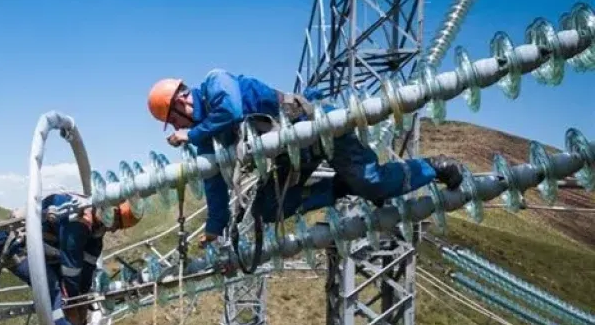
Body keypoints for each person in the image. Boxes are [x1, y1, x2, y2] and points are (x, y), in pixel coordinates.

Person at [146, 70, 464, 246]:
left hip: (314, 129)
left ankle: (433, 167)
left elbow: (231, 111)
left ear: (181, 102)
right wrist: (215, 227)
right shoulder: (206, 138)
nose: (177, 128)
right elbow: (213, 179)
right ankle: (339, 187)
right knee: (265, 207)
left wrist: (192, 134)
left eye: (174, 121)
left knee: (372, 182)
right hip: (291, 156)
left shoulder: (217, 84)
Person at [0, 192, 140, 325]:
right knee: (52, 287)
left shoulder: (96, 227)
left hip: (41, 247)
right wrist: (72, 305)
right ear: (107, 209)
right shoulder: (77, 219)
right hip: (14, 245)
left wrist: (82, 302)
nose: (113, 229)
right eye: (114, 221)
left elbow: (86, 268)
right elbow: (71, 270)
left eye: (118, 226)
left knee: (74, 300)